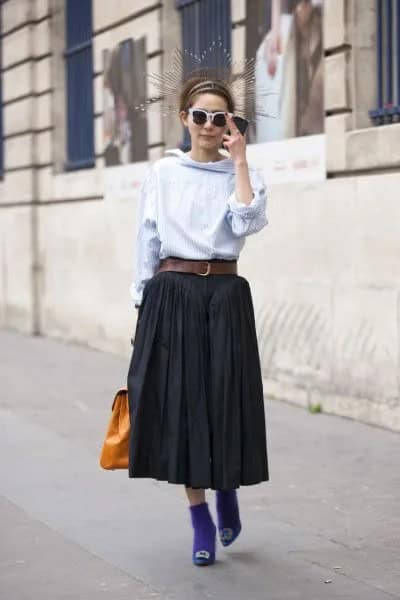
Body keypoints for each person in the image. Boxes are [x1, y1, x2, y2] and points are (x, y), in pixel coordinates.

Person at [127, 76, 269, 566]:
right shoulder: (163, 174)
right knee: (182, 408)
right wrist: (141, 307)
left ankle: (227, 486)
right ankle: (199, 516)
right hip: (172, 294)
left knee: (227, 398)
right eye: (201, 116)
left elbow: (246, 222)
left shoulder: (240, 172)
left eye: (220, 118)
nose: (209, 126)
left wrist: (241, 162)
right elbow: (146, 241)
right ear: (185, 119)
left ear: (232, 124)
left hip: (226, 294)